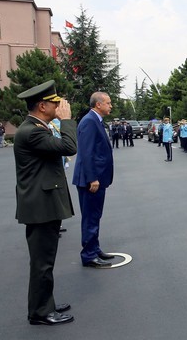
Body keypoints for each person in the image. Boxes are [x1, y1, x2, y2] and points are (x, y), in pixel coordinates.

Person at [13, 80, 76, 325]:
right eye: (54, 103)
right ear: (42, 106)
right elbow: (69, 146)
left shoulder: (38, 127)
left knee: (45, 259)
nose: (59, 105)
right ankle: (40, 312)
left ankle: (45, 302)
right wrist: (67, 119)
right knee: (42, 263)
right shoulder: (32, 131)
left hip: (44, 203)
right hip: (41, 206)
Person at [72, 92, 115, 268]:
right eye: (108, 103)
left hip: (97, 179)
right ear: (98, 104)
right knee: (90, 217)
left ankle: (94, 248)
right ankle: (88, 255)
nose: (111, 106)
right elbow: (86, 153)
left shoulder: (95, 120)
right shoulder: (89, 121)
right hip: (91, 181)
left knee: (95, 216)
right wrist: (92, 178)